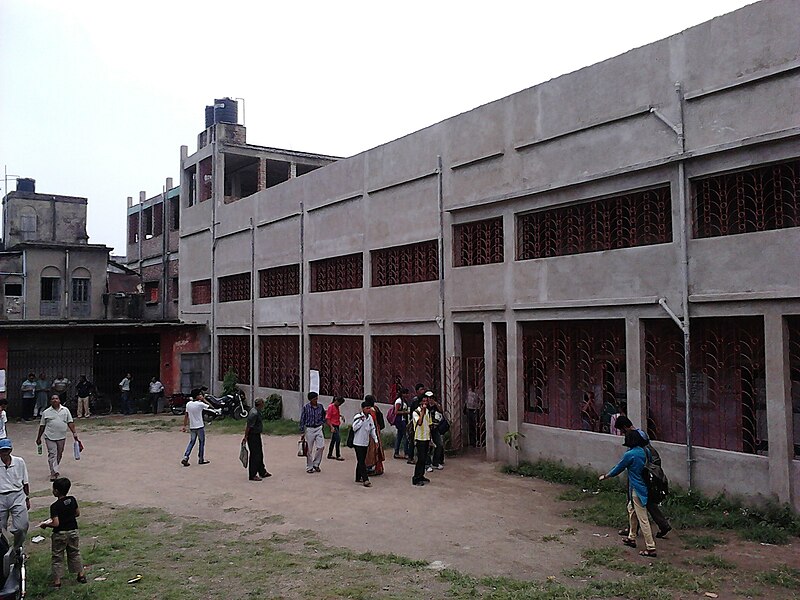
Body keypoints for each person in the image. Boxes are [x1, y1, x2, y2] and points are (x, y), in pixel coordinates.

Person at [599, 430, 657, 558]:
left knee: (643, 519)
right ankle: (631, 537)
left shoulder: (630, 454)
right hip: (645, 487)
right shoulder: (646, 451)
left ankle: (651, 547)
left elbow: (618, 468)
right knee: (631, 510)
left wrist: (606, 476)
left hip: (637, 489)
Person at [614, 415, 672, 538]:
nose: (622, 433)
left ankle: (633, 530)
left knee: (634, 499)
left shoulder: (634, 436)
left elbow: (636, 456)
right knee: (646, 499)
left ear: (624, 427)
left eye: (621, 430)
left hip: (642, 470)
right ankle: (662, 525)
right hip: (648, 468)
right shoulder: (641, 433)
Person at [40, 477, 87, 588]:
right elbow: (77, 513)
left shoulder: (55, 506)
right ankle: (81, 575)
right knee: (75, 553)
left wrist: (45, 524)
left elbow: (56, 523)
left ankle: (57, 581)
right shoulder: (72, 500)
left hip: (60, 533)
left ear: (56, 491)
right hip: (73, 531)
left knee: (57, 556)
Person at [36, 394, 80, 481]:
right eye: (53, 399)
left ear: (59, 400)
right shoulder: (46, 412)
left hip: (61, 436)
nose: (55, 400)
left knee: (59, 453)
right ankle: (54, 472)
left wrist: (74, 433)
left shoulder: (65, 410)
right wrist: (38, 438)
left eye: (56, 399)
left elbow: (70, 422)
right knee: (52, 454)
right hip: (49, 436)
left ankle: (55, 468)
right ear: (50, 401)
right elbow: (42, 426)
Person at [0, 439, 30, 551]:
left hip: (17, 495)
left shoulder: (19, 462)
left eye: (6, 450)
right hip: (0, 497)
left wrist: (27, 497)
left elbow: (25, 482)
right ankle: (4, 550)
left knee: (22, 526)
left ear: (10, 450)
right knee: (0, 529)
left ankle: (17, 548)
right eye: (2, 451)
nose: (4, 453)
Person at [181, 389, 211, 466]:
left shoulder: (188, 404)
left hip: (192, 426)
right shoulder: (200, 404)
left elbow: (186, 416)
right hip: (200, 426)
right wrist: (204, 399)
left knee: (192, 442)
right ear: (197, 396)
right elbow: (210, 407)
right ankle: (201, 459)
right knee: (201, 442)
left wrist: (184, 426)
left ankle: (186, 456)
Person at [351, 401, 378, 487]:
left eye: (369, 408)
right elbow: (354, 428)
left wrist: (376, 440)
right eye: (367, 408)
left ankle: (358, 476)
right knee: (362, 461)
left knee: (361, 460)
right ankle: (365, 479)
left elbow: (372, 429)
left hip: (365, 442)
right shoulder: (358, 417)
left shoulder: (370, 418)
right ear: (363, 409)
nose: (368, 410)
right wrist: (361, 421)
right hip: (357, 442)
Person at [243, 398, 271, 481]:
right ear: (260, 404)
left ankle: (262, 471)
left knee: (259, 454)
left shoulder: (255, 411)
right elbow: (249, 426)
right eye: (263, 403)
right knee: (255, 455)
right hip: (253, 436)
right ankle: (252, 474)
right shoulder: (254, 413)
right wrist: (246, 436)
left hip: (256, 435)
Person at [299, 392, 326, 474]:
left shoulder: (320, 406)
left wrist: (322, 422)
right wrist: (302, 431)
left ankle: (316, 463)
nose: (316, 400)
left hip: (318, 428)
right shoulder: (306, 407)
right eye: (314, 399)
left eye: (317, 398)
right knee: (309, 449)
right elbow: (302, 419)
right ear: (310, 399)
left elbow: (324, 415)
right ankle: (309, 466)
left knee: (321, 446)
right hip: (309, 429)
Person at [411, 394, 432, 486]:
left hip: (426, 437)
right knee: (420, 458)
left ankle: (421, 475)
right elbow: (419, 423)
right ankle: (416, 478)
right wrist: (422, 412)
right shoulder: (416, 412)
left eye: (426, 401)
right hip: (419, 438)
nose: (425, 403)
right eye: (423, 401)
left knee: (424, 458)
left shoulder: (428, 411)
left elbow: (429, 424)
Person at [363, 395, 385, 476]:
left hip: (371, 434)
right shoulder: (376, 408)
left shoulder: (370, 411)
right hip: (377, 432)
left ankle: (370, 468)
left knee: (371, 451)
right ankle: (379, 468)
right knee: (377, 450)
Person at [407, 383, 427, 464]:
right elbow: (412, 412)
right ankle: (410, 457)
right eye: (421, 389)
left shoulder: (425, 399)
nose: (423, 391)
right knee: (412, 440)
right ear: (417, 391)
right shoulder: (415, 400)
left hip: (423, 424)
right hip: (415, 422)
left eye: (423, 389)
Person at [426, 392, 445, 471]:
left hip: (435, 427)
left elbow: (441, 411)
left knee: (439, 444)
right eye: (429, 398)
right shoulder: (424, 406)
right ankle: (427, 464)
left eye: (432, 398)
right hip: (426, 429)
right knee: (427, 446)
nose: (430, 400)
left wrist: (436, 404)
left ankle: (435, 462)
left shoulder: (435, 406)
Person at [392, 388, 411, 459]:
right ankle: (406, 453)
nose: (407, 395)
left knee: (399, 436)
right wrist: (405, 412)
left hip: (403, 421)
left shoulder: (404, 401)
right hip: (400, 421)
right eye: (406, 393)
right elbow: (396, 412)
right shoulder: (399, 401)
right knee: (406, 437)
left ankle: (396, 452)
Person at [325, 396, 345, 461]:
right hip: (333, 425)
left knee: (333, 440)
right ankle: (338, 455)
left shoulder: (337, 407)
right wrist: (331, 427)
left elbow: (335, 414)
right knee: (338, 439)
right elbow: (328, 418)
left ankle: (330, 454)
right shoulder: (331, 407)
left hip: (337, 424)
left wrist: (341, 416)